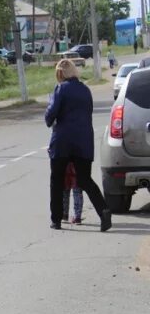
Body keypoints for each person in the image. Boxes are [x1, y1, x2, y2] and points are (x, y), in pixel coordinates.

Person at [45, 58, 111, 231]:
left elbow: (50, 116)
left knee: (57, 179)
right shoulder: (85, 90)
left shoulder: (60, 89)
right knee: (85, 179)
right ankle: (104, 211)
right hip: (84, 141)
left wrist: (50, 109)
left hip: (63, 142)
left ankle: (57, 219)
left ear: (60, 74)